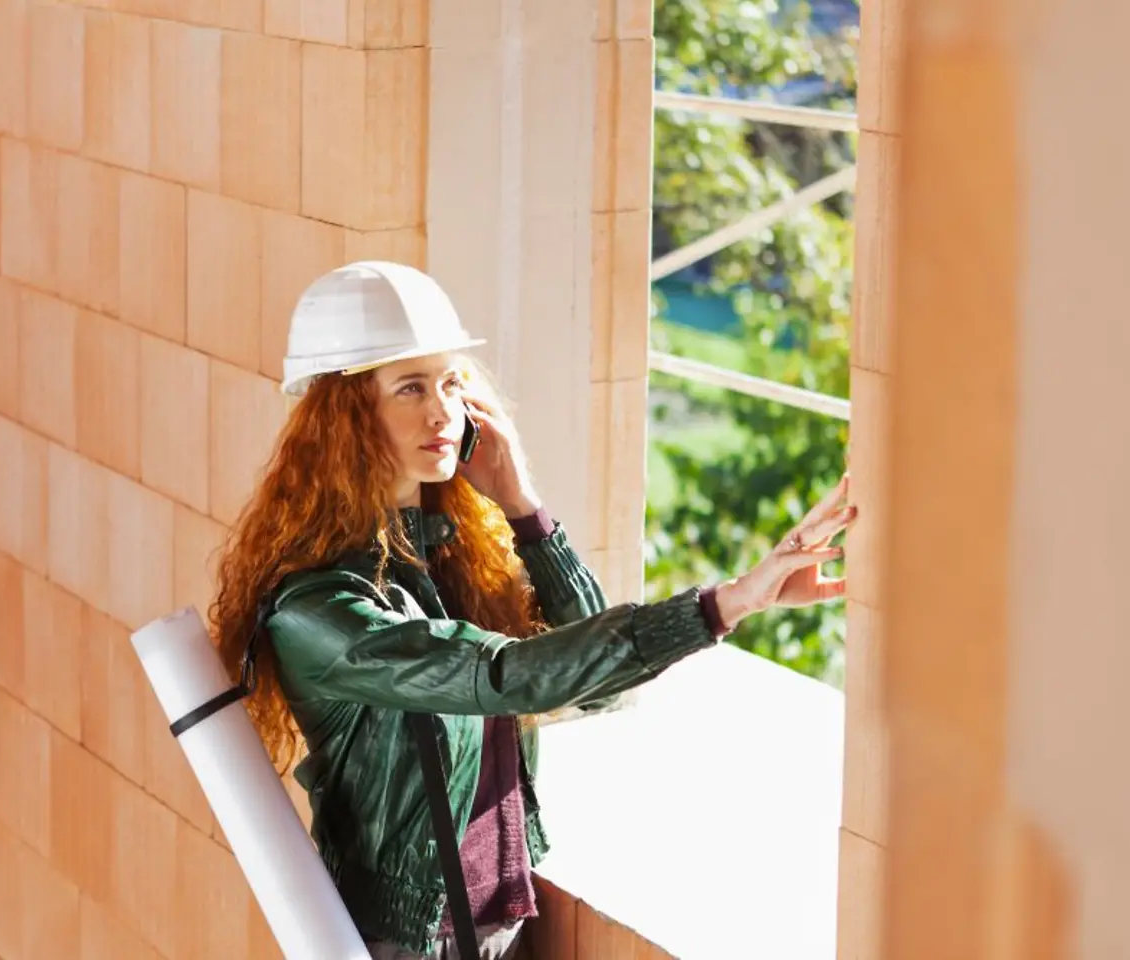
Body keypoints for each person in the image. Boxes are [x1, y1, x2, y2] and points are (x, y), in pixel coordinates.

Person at [209, 262, 855, 960]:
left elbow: (603, 689)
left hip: (498, 921)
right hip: (404, 940)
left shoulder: (449, 557)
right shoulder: (318, 609)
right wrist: (728, 602)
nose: (442, 412)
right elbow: (504, 676)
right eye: (410, 387)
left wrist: (524, 507)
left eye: (451, 383)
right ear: (344, 417)